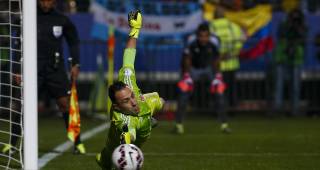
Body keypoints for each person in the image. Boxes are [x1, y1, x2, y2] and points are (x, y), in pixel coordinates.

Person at [2, 0, 86, 154]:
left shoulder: (62, 19)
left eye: (51, 0)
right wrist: (17, 69)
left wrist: (75, 64)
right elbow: (17, 43)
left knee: (65, 104)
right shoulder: (26, 18)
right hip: (31, 68)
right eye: (44, 0)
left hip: (55, 68)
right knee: (22, 105)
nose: (47, 3)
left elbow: (73, 41)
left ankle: (77, 143)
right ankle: (13, 144)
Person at [96, 10, 165, 169]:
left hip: (145, 107)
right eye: (126, 101)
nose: (133, 101)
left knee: (160, 101)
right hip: (131, 131)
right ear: (116, 107)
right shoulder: (124, 120)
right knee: (108, 161)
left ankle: (149, 118)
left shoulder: (128, 82)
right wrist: (126, 139)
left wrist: (135, 30)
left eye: (131, 95)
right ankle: (104, 159)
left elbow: (128, 56)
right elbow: (129, 133)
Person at [175, 22, 230, 134]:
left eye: (206, 36)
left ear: (209, 36)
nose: (203, 39)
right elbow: (187, 58)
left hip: (209, 69)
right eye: (201, 36)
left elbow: (216, 59)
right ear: (197, 35)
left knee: (219, 93)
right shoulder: (191, 40)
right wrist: (187, 76)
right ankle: (179, 125)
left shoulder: (215, 41)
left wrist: (218, 75)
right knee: (183, 93)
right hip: (193, 69)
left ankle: (224, 125)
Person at [272, 8, 307, 117]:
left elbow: (303, 37)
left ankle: (295, 109)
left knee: (295, 86)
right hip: (282, 57)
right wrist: (290, 26)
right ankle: (278, 109)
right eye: (293, 16)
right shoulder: (284, 25)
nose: (295, 19)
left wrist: (297, 28)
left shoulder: (303, 26)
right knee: (279, 85)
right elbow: (282, 35)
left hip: (296, 58)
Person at [209, 6, 245, 114]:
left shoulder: (212, 26)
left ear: (214, 15)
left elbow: (209, 45)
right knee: (231, 89)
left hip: (217, 64)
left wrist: (219, 56)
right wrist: (232, 53)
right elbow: (240, 41)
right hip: (232, 63)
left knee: (218, 88)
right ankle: (232, 110)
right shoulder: (233, 26)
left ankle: (218, 110)